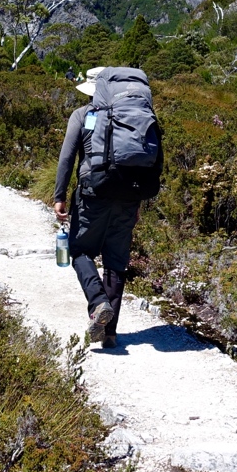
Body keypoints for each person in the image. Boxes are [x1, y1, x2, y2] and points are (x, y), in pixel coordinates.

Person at [53, 65, 162, 349]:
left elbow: (67, 158)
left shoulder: (83, 115)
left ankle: (98, 303)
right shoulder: (136, 117)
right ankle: (109, 334)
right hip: (130, 194)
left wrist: (59, 196)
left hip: (93, 194)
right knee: (115, 262)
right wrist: (137, 203)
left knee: (79, 251)